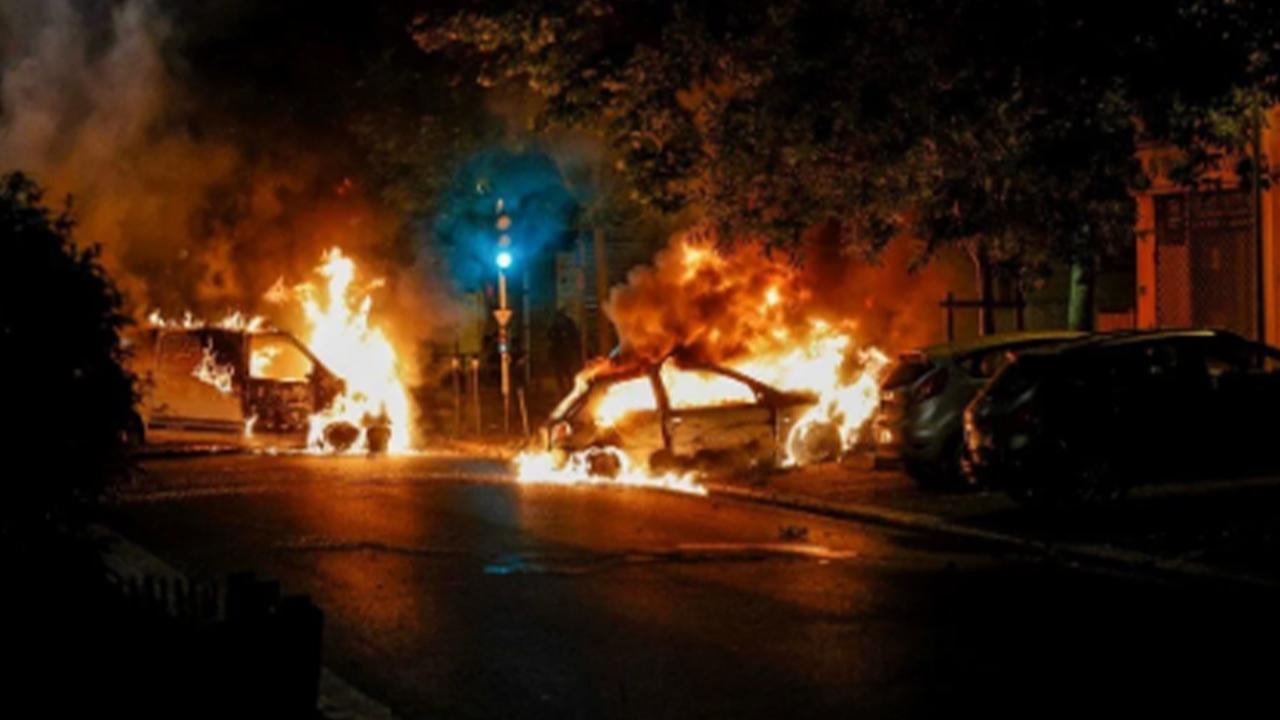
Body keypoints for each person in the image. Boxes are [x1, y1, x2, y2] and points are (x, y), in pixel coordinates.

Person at [547, 308, 583, 393]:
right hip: (563, 351)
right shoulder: (566, 323)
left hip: (562, 351)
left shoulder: (560, 323)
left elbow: (549, 336)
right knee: (566, 372)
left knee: (563, 372)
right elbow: (550, 335)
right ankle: (568, 388)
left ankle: (565, 389)